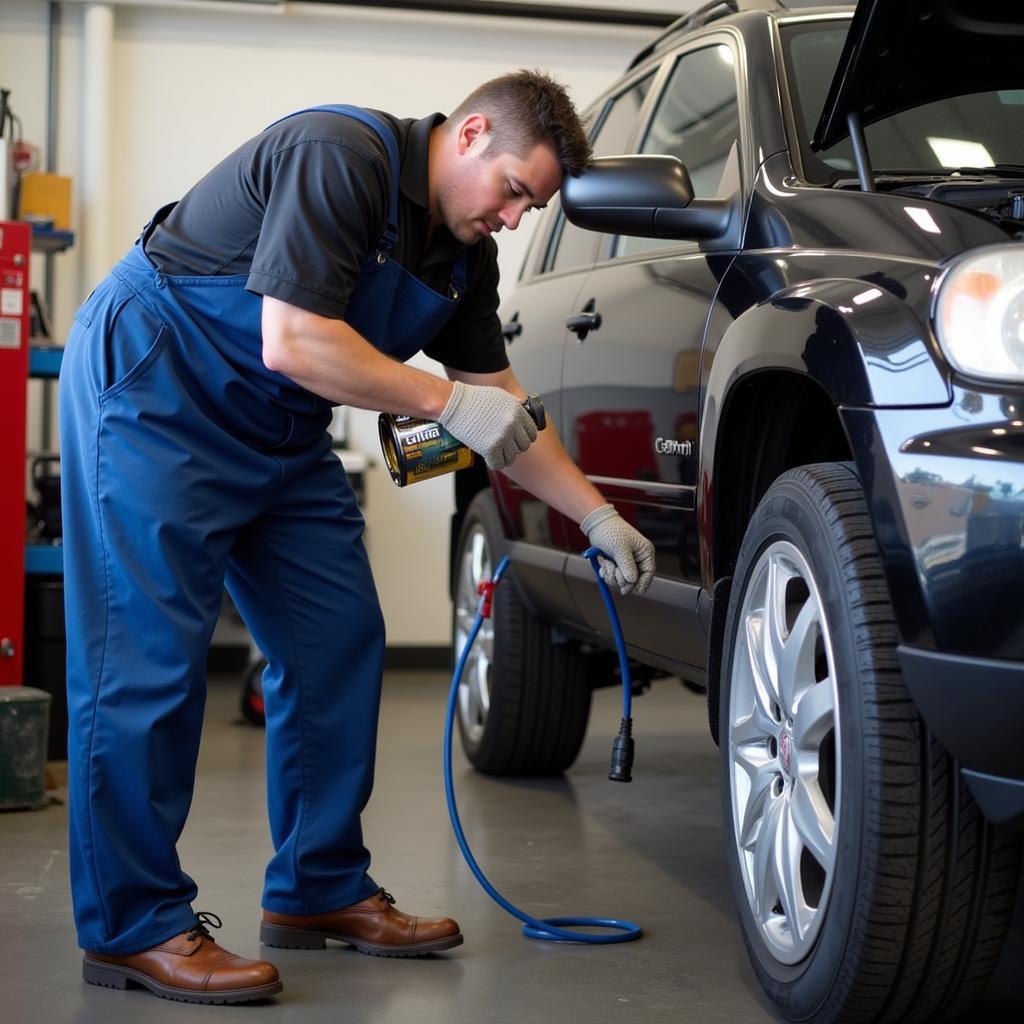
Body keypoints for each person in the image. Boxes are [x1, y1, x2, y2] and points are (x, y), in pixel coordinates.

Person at [59, 69, 656, 1005]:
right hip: (158, 392)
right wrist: (445, 401)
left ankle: (317, 888)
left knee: (338, 641)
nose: (512, 218)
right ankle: (133, 926)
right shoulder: (338, 155)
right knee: (147, 661)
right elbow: (295, 339)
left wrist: (597, 514)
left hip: (279, 428)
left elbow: (496, 405)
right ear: (467, 136)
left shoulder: (461, 252)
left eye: (529, 207)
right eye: (512, 192)